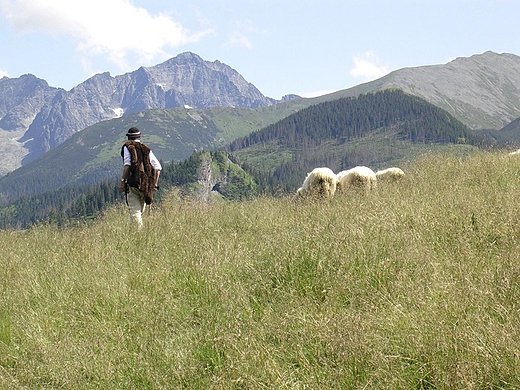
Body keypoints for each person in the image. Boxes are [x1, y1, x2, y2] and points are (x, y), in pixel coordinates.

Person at [118, 127, 162, 228]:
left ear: (129, 137)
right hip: (145, 185)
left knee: (135, 211)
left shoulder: (127, 147)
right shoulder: (146, 149)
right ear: (139, 137)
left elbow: (127, 164)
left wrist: (122, 181)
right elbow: (158, 167)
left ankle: (138, 234)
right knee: (141, 211)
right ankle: (141, 231)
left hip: (133, 183)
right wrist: (154, 184)